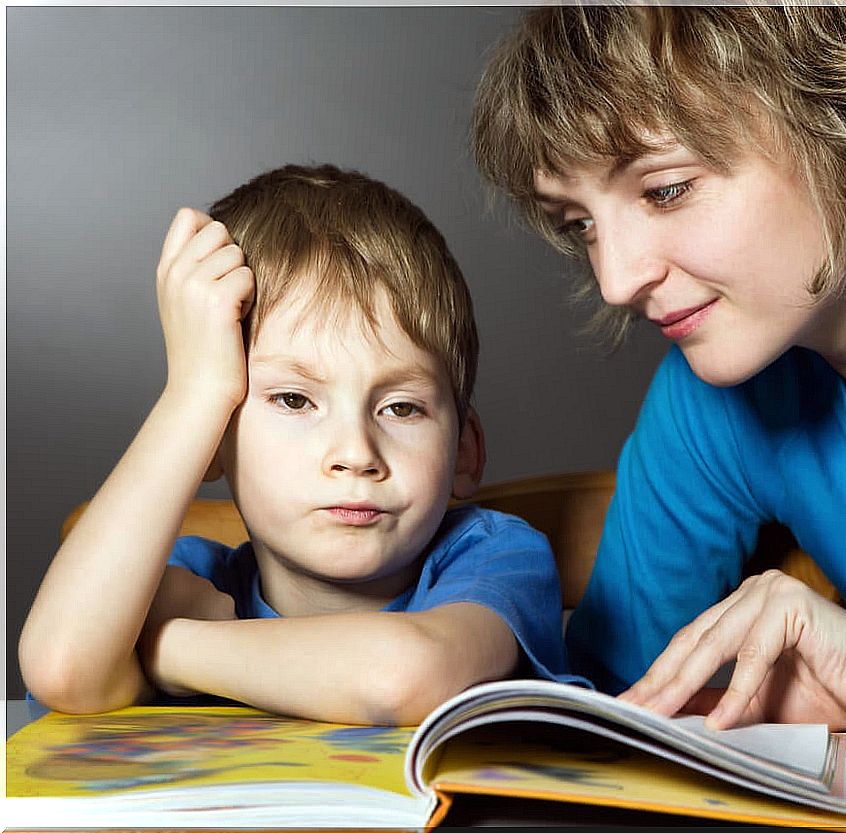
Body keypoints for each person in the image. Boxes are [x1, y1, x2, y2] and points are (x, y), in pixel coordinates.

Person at [472, 6, 846, 737]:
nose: (615, 278)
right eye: (582, 223)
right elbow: (618, 704)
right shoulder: (713, 404)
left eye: (666, 188)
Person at [19, 163, 585, 725]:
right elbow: (63, 667)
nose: (356, 454)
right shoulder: (192, 579)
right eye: (295, 400)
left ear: (464, 451)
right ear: (211, 437)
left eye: (401, 407)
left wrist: (170, 649)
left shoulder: (495, 559)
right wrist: (194, 392)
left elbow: (402, 677)